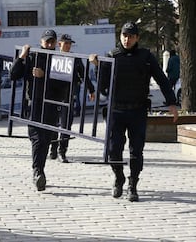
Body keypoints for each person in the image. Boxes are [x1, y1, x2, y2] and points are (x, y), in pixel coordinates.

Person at [90, 22, 178, 202]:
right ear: (120, 36)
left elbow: (161, 79)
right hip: (116, 110)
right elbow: (102, 88)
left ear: (137, 38)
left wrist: (171, 102)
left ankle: (133, 185)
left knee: (136, 151)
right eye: (124, 35)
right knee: (114, 150)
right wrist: (98, 66)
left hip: (137, 110)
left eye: (130, 36)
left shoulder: (146, 56)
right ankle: (119, 178)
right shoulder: (111, 56)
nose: (126, 39)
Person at [10, 29, 61, 191]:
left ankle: (40, 170)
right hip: (33, 105)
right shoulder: (32, 56)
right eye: (47, 41)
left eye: (52, 41)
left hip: (51, 105)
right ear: (41, 42)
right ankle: (37, 172)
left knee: (45, 140)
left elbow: (64, 85)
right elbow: (13, 75)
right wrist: (22, 56)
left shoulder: (59, 59)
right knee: (37, 138)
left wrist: (44, 75)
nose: (50, 44)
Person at [49, 34, 96, 162]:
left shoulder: (75, 58)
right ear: (59, 44)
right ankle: (53, 148)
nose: (68, 46)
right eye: (66, 43)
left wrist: (91, 89)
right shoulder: (52, 57)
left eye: (70, 43)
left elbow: (83, 75)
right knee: (52, 123)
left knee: (66, 125)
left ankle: (62, 151)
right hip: (53, 95)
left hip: (68, 95)